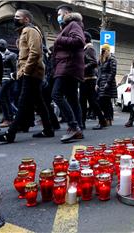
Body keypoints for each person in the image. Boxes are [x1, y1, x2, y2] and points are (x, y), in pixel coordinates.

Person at [0, 9, 54, 143]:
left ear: (26, 19)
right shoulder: (24, 32)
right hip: (32, 72)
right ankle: (48, 129)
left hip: (31, 73)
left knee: (23, 102)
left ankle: (10, 133)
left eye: (17, 17)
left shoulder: (30, 31)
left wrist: (25, 71)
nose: (15, 19)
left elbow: (35, 52)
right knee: (39, 103)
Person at [52, 4, 85, 142]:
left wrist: (59, 40)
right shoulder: (68, 26)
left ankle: (73, 126)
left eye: (60, 14)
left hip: (68, 66)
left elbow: (79, 41)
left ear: (67, 13)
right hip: (67, 65)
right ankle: (79, 127)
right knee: (72, 98)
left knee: (56, 95)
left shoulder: (73, 24)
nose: (58, 17)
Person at [93, 43, 117, 129]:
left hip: (108, 83)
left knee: (105, 101)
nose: (103, 52)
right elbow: (99, 72)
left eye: (104, 50)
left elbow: (113, 72)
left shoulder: (112, 59)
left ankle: (108, 119)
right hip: (101, 83)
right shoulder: (101, 60)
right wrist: (96, 83)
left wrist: (108, 82)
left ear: (108, 50)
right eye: (102, 50)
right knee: (104, 101)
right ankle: (108, 118)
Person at [0, 39, 18, 128]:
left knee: (0, 98)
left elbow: (15, 68)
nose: (0, 45)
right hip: (0, 79)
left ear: (6, 45)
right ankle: (10, 117)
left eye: (2, 44)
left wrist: (13, 78)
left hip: (8, 79)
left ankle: (8, 118)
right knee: (6, 99)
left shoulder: (12, 55)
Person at [80, 31, 98, 129]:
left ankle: (102, 121)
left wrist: (82, 67)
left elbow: (93, 62)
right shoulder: (85, 49)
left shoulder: (89, 48)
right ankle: (82, 123)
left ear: (86, 38)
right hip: (85, 78)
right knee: (84, 101)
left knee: (91, 101)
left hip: (89, 79)